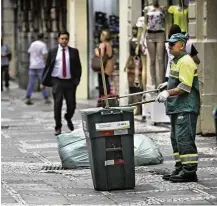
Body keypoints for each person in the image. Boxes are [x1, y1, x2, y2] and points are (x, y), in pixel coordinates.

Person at [156, 33, 200, 183]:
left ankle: (189, 171)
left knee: (184, 139)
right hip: (177, 107)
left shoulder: (186, 61)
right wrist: (167, 84)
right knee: (176, 139)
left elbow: (185, 87)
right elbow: (176, 80)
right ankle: (180, 167)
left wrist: (167, 92)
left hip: (186, 108)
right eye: (169, 44)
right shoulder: (176, 61)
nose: (169, 47)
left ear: (181, 45)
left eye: (172, 44)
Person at [42, 31, 82, 136]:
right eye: (62, 38)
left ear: (68, 40)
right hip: (57, 81)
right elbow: (47, 66)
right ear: (58, 39)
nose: (64, 40)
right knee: (57, 104)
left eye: (66, 39)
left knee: (71, 104)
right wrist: (44, 81)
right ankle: (58, 127)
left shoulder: (74, 51)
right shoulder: (53, 51)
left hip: (70, 82)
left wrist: (76, 80)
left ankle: (68, 117)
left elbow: (78, 67)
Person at [144, 0, 166, 89]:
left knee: (160, 59)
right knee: (152, 60)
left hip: (160, 34)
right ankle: (154, 82)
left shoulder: (162, 9)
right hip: (150, 34)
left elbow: (165, 22)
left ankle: (161, 83)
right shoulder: (147, 9)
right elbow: (145, 23)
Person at [25, 33, 51, 105]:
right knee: (43, 82)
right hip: (40, 66)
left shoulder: (33, 44)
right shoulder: (43, 45)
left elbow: (29, 52)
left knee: (31, 82)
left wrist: (31, 60)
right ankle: (46, 98)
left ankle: (28, 97)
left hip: (32, 66)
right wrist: (46, 63)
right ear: (42, 37)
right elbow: (44, 55)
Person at [95, 29, 115, 97]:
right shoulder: (109, 44)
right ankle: (107, 98)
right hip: (109, 67)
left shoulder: (102, 44)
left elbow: (101, 55)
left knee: (102, 85)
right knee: (106, 83)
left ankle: (102, 99)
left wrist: (96, 50)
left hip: (103, 67)